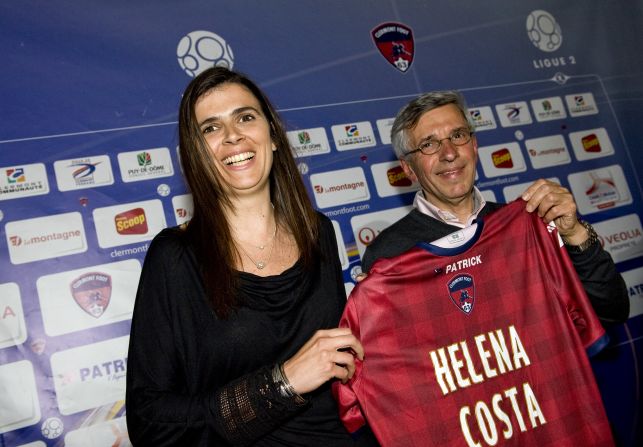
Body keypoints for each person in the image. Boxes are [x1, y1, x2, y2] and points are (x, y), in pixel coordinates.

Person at [126, 67, 378, 446]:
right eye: (210, 128)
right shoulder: (175, 258)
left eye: (245, 117)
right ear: (196, 154)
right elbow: (150, 422)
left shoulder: (318, 232)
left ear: (273, 135)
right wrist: (283, 383)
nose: (232, 136)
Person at [361, 90, 629, 325]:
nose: (450, 153)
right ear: (408, 169)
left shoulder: (530, 224)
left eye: (458, 135)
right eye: (429, 144)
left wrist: (576, 237)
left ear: (474, 146)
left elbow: (611, 311)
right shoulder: (388, 255)